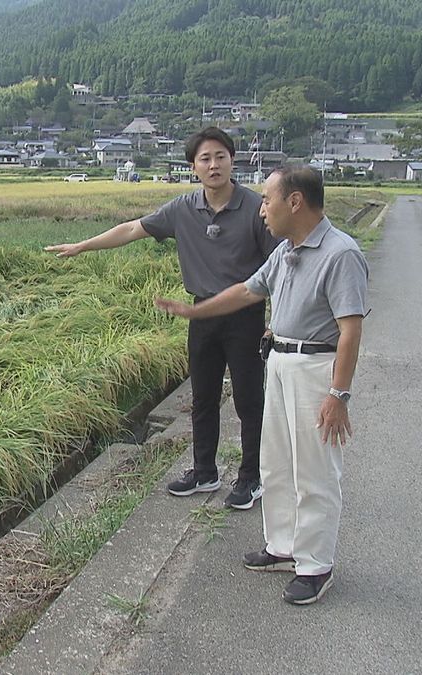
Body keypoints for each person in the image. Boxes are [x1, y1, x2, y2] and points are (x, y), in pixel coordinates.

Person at [155, 165, 368, 605]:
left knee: (314, 471)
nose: (262, 210)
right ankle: (283, 546)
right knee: (276, 463)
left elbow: (350, 330)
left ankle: (315, 565)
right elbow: (248, 290)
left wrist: (338, 395)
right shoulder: (286, 251)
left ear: (295, 202)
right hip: (281, 362)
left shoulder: (339, 253)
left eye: (268, 200)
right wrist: (196, 311)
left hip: (315, 368)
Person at [45, 127, 278, 509]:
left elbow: (280, 267)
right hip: (201, 314)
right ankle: (204, 470)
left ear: (232, 161)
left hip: (245, 315)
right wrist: (83, 245)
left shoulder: (256, 208)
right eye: (205, 158)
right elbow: (134, 228)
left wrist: (275, 318)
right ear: (193, 167)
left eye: (221, 156)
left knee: (248, 400)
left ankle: (250, 478)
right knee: (202, 398)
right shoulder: (182, 209)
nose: (214, 164)